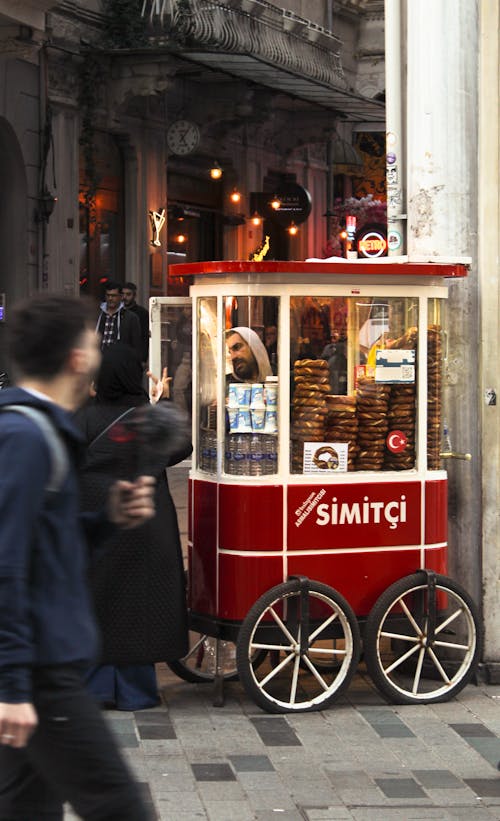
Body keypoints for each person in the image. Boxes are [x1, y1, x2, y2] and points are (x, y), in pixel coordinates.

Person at [0, 295, 156, 820]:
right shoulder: (26, 436)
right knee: (121, 808)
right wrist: (13, 687)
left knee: (28, 811)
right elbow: (6, 565)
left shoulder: (37, 432)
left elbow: (48, 548)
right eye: (92, 340)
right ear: (76, 359)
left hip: (38, 669)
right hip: (41, 675)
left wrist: (108, 518)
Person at [75, 344, 191, 711]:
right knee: (139, 607)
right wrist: (160, 402)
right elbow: (182, 446)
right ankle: (136, 691)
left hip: (98, 523)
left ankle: (95, 689)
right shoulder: (146, 419)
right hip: (145, 524)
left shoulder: (80, 418)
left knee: (98, 603)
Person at [95, 280, 142, 362]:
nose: (110, 298)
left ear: (120, 297)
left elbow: (136, 345)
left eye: (113, 296)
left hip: (119, 362)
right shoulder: (97, 315)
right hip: (99, 360)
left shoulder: (131, 317)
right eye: (108, 295)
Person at [121, 282, 149, 365]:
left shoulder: (142, 313)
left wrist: (143, 359)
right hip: (119, 355)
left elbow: (145, 337)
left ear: (134, 295)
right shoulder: (116, 312)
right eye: (122, 294)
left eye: (128, 294)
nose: (125, 297)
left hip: (135, 356)